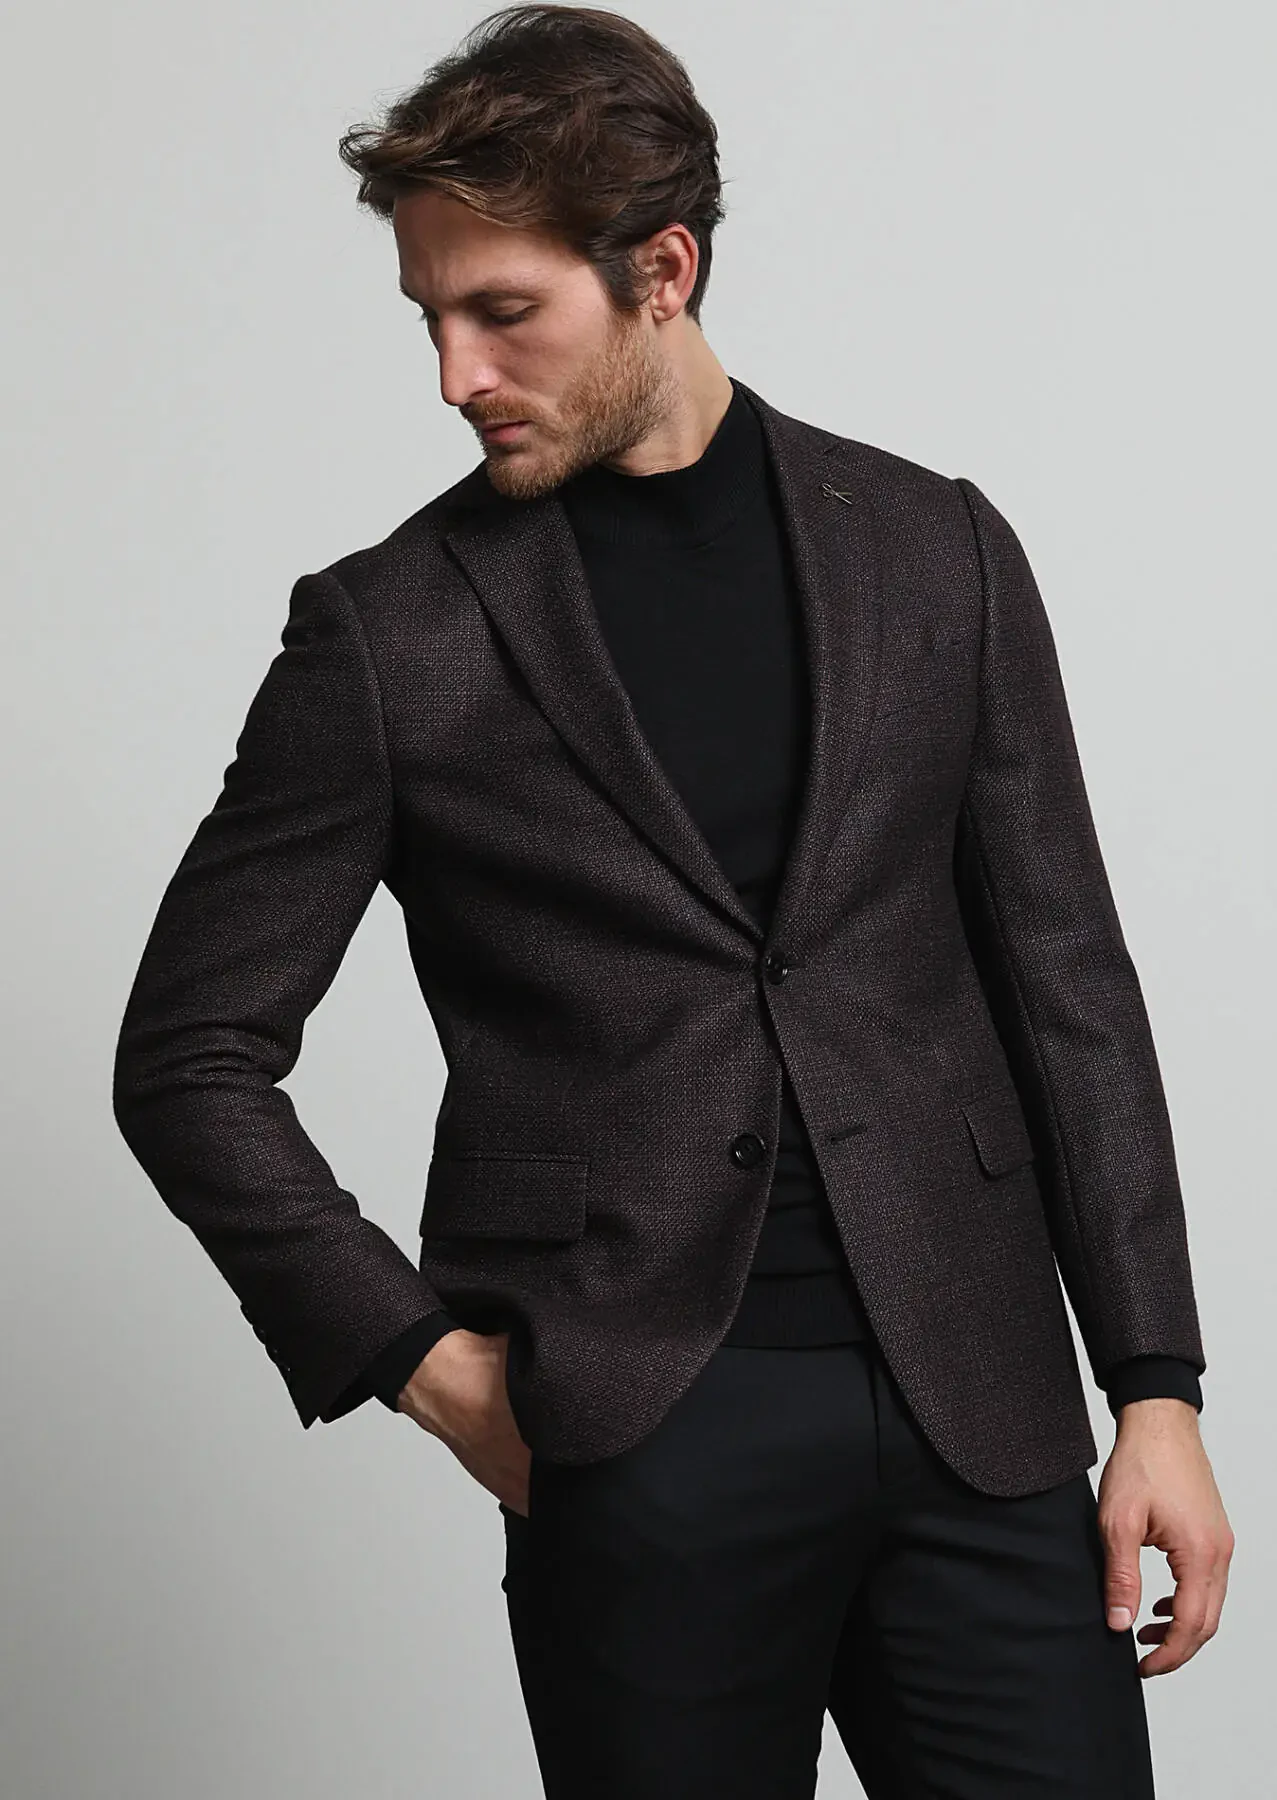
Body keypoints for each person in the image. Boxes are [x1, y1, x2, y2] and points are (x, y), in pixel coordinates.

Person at [112, 7, 1233, 1795]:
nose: (457, 374)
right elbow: (187, 1059)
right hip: (645, 1432)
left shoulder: (934, 549)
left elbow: (1067, 984)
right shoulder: (390, 635)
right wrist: (421, 1361)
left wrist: (1156, 1386)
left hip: (983, 1408)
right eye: (429, 318)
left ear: (662, 271)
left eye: (505, 312)